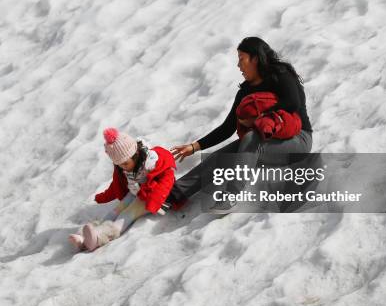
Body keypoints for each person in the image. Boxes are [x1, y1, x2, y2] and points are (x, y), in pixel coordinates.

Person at [166, 36, 313, 212]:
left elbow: (292, 102)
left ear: (255, 59)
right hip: (264, 142)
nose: (238, 66)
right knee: (221, 157)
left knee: (251, 138)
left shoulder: (280, 75)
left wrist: (258, 118)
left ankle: (231, 197)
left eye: (241, 59)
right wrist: (194, 146)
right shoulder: (246, 93)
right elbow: (228, 127)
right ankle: (173, 195)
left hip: (298, 140)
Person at [69, 128, 176, 251]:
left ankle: (99, 237)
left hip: (150, 195)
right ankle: (85, 237)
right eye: (119, 165)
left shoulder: (152, 163)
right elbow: (117, 184)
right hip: (135, 192)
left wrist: (153, 202)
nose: (123, 168)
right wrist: (104, 196)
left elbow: (167, 180)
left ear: (135, 156)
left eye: (125, 164)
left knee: (127, 214)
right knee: (116, 210)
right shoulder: (124, 166)